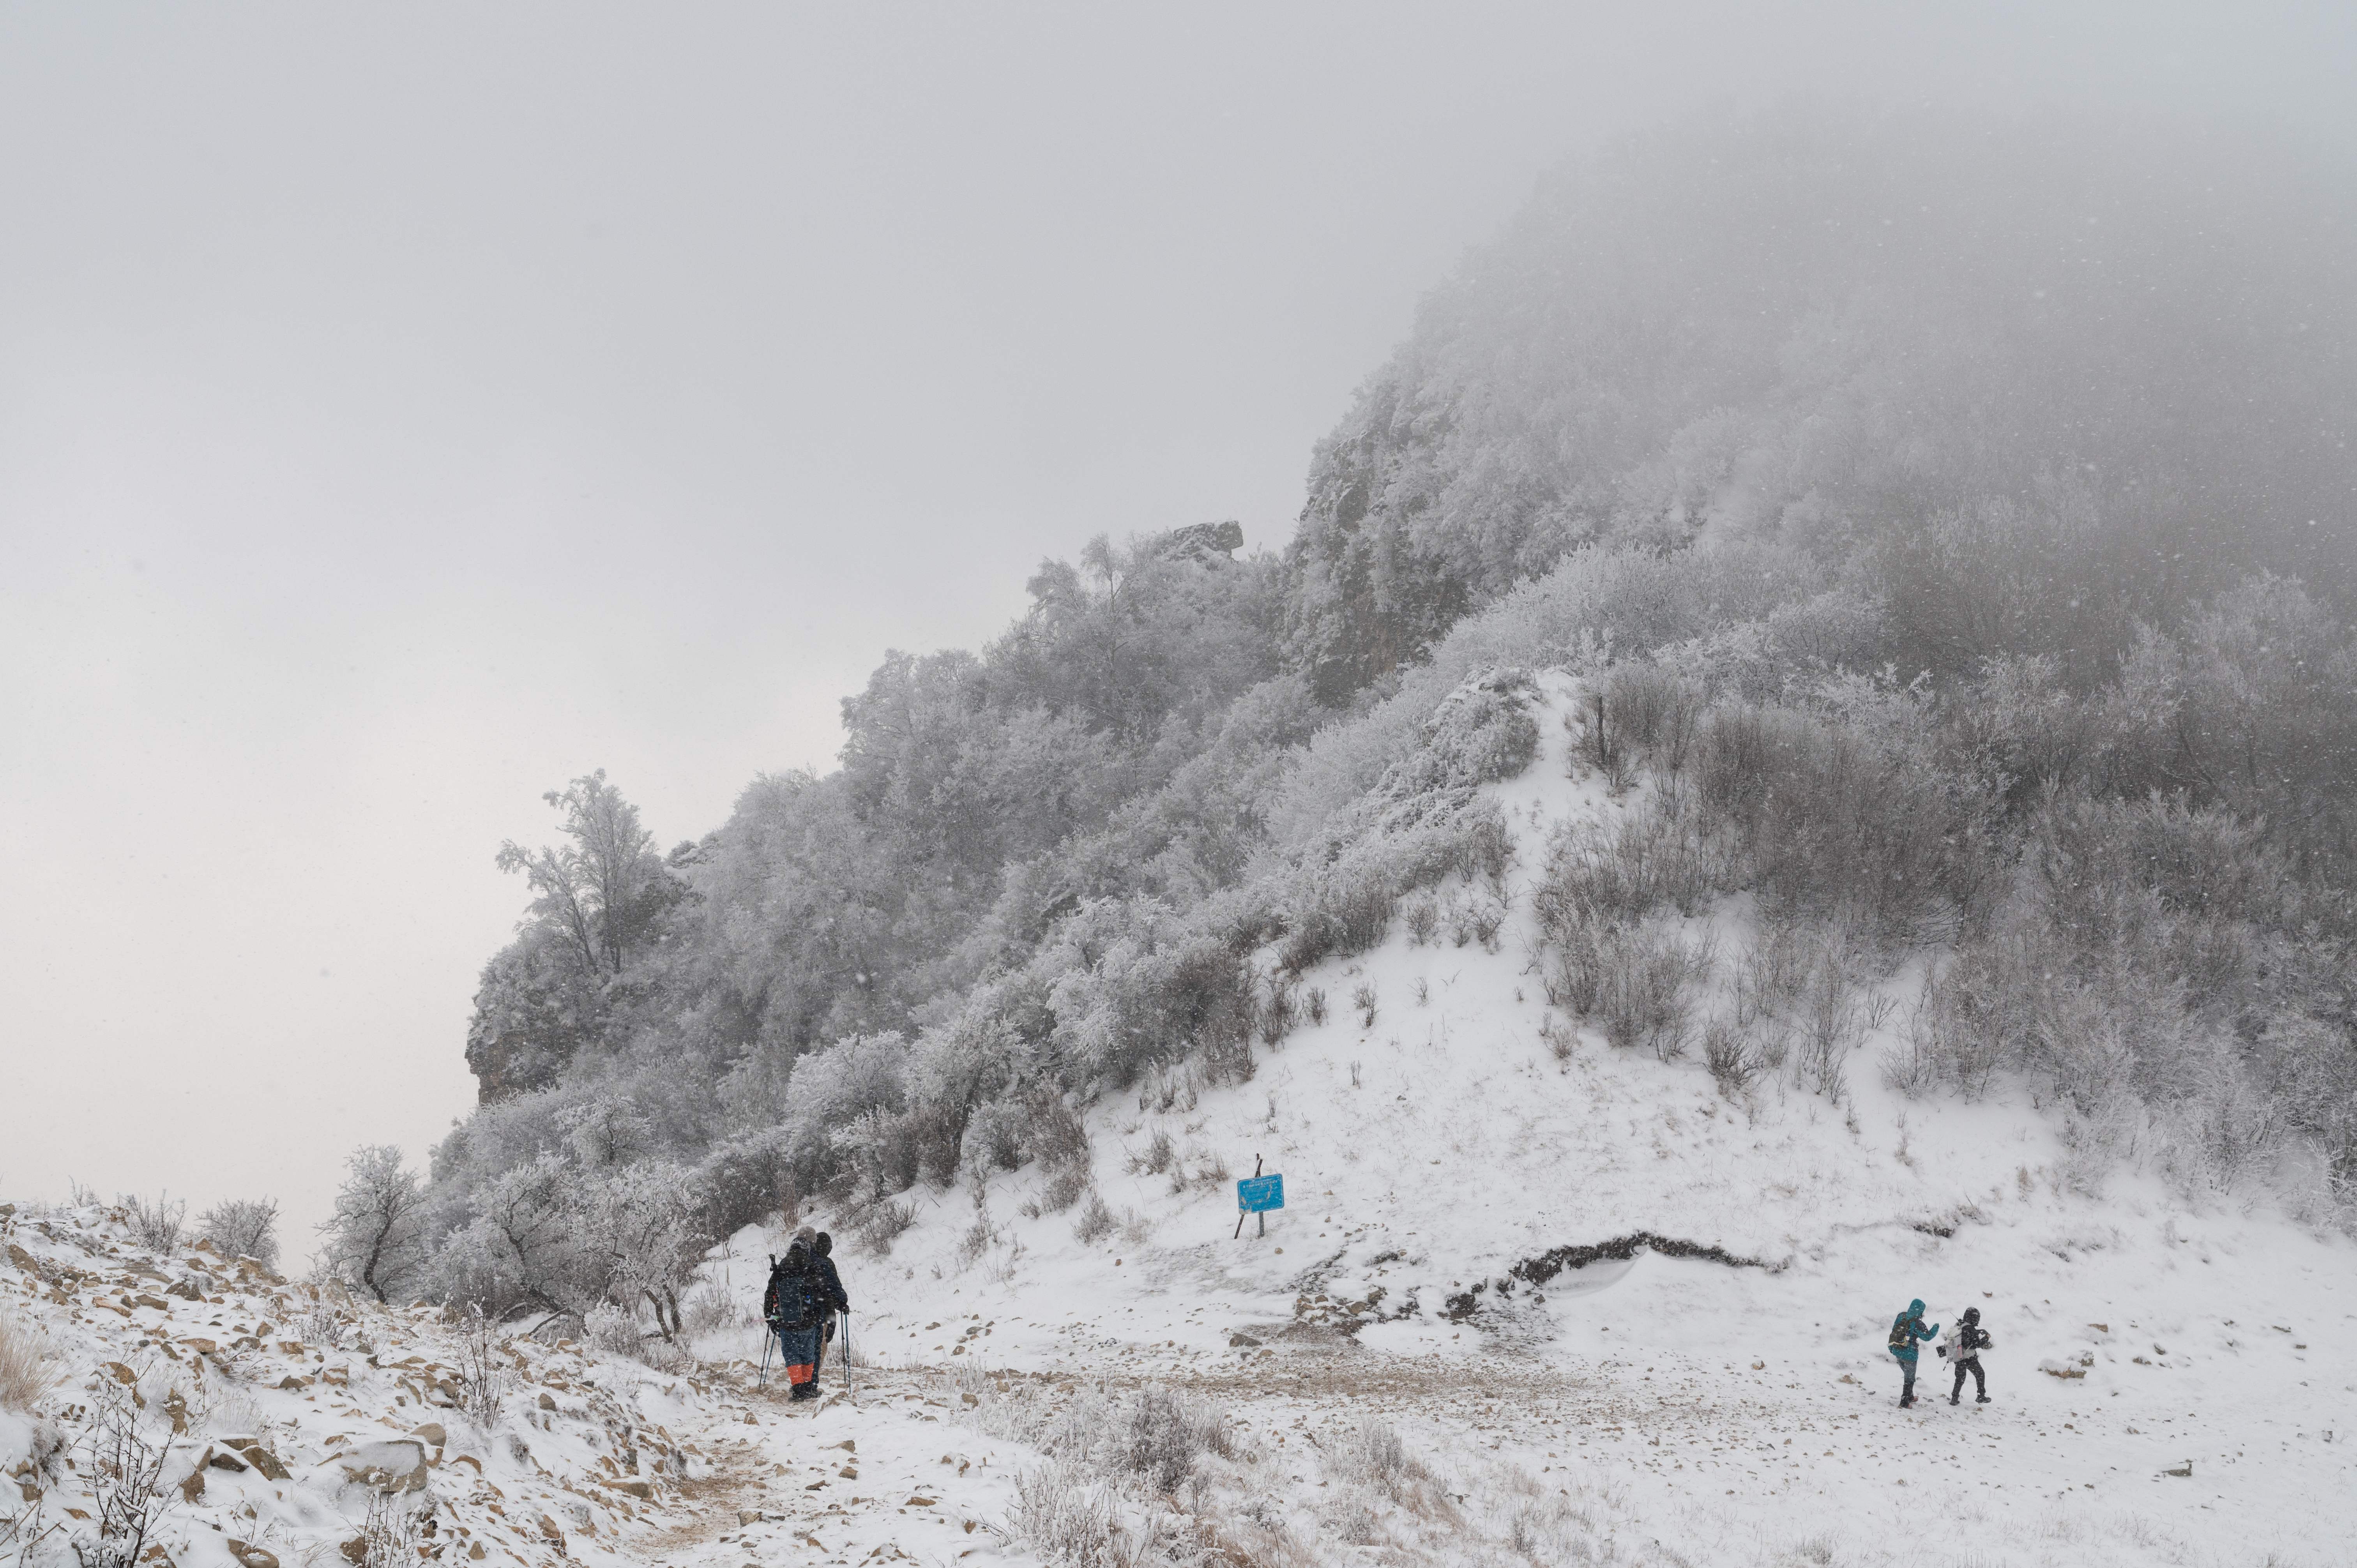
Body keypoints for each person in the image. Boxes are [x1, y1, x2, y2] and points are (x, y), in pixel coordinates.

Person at [763, 1227, 827, 1402]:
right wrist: (818, 1315)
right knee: (808, 1354)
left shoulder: (782, 1266)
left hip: (786, 1322)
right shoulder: (812, 1265)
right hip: (809, 1322)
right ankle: (808, 1387)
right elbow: (821, 1292)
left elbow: (770, 1294)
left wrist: (772, 1319)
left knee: (792, 1355)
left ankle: (797, 1389)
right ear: (807, 1248)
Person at [810, 1231, 852, 1381]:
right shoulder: (826, 1263)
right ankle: (811, 1378)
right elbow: (834, 1288)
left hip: (803, 1312)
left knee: (806, 1346)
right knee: (821, 1346)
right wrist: (842, 1303)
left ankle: (800, 1379)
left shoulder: (805, 1260)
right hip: (824, 1312)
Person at [1886, 1298, 1938, 1408]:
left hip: (1897, 1350)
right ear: (1921, 1312)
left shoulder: (1901, 1316)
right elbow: (1927, 1337)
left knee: (1908, 1375)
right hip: (1910, 1354)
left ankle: (1909, 1397)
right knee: (1910, 1379)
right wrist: (1935, 1329)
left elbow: (1895, 1329)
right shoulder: (1918, 1323)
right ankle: (1905, 1403)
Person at [1939, 1306, 1993, 1405]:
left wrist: (1977, 1332)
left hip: (1958, 1356)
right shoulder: (1971, 1329)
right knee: (1980, 1374)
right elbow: (1977, 1345)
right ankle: (1981, 1396)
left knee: (1960, 1378)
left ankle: (1954, 1399)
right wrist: (1986, 1338)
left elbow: (1965, 1337)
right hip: (1969, 1357)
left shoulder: (1959, 1324)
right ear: (1975, 1318)